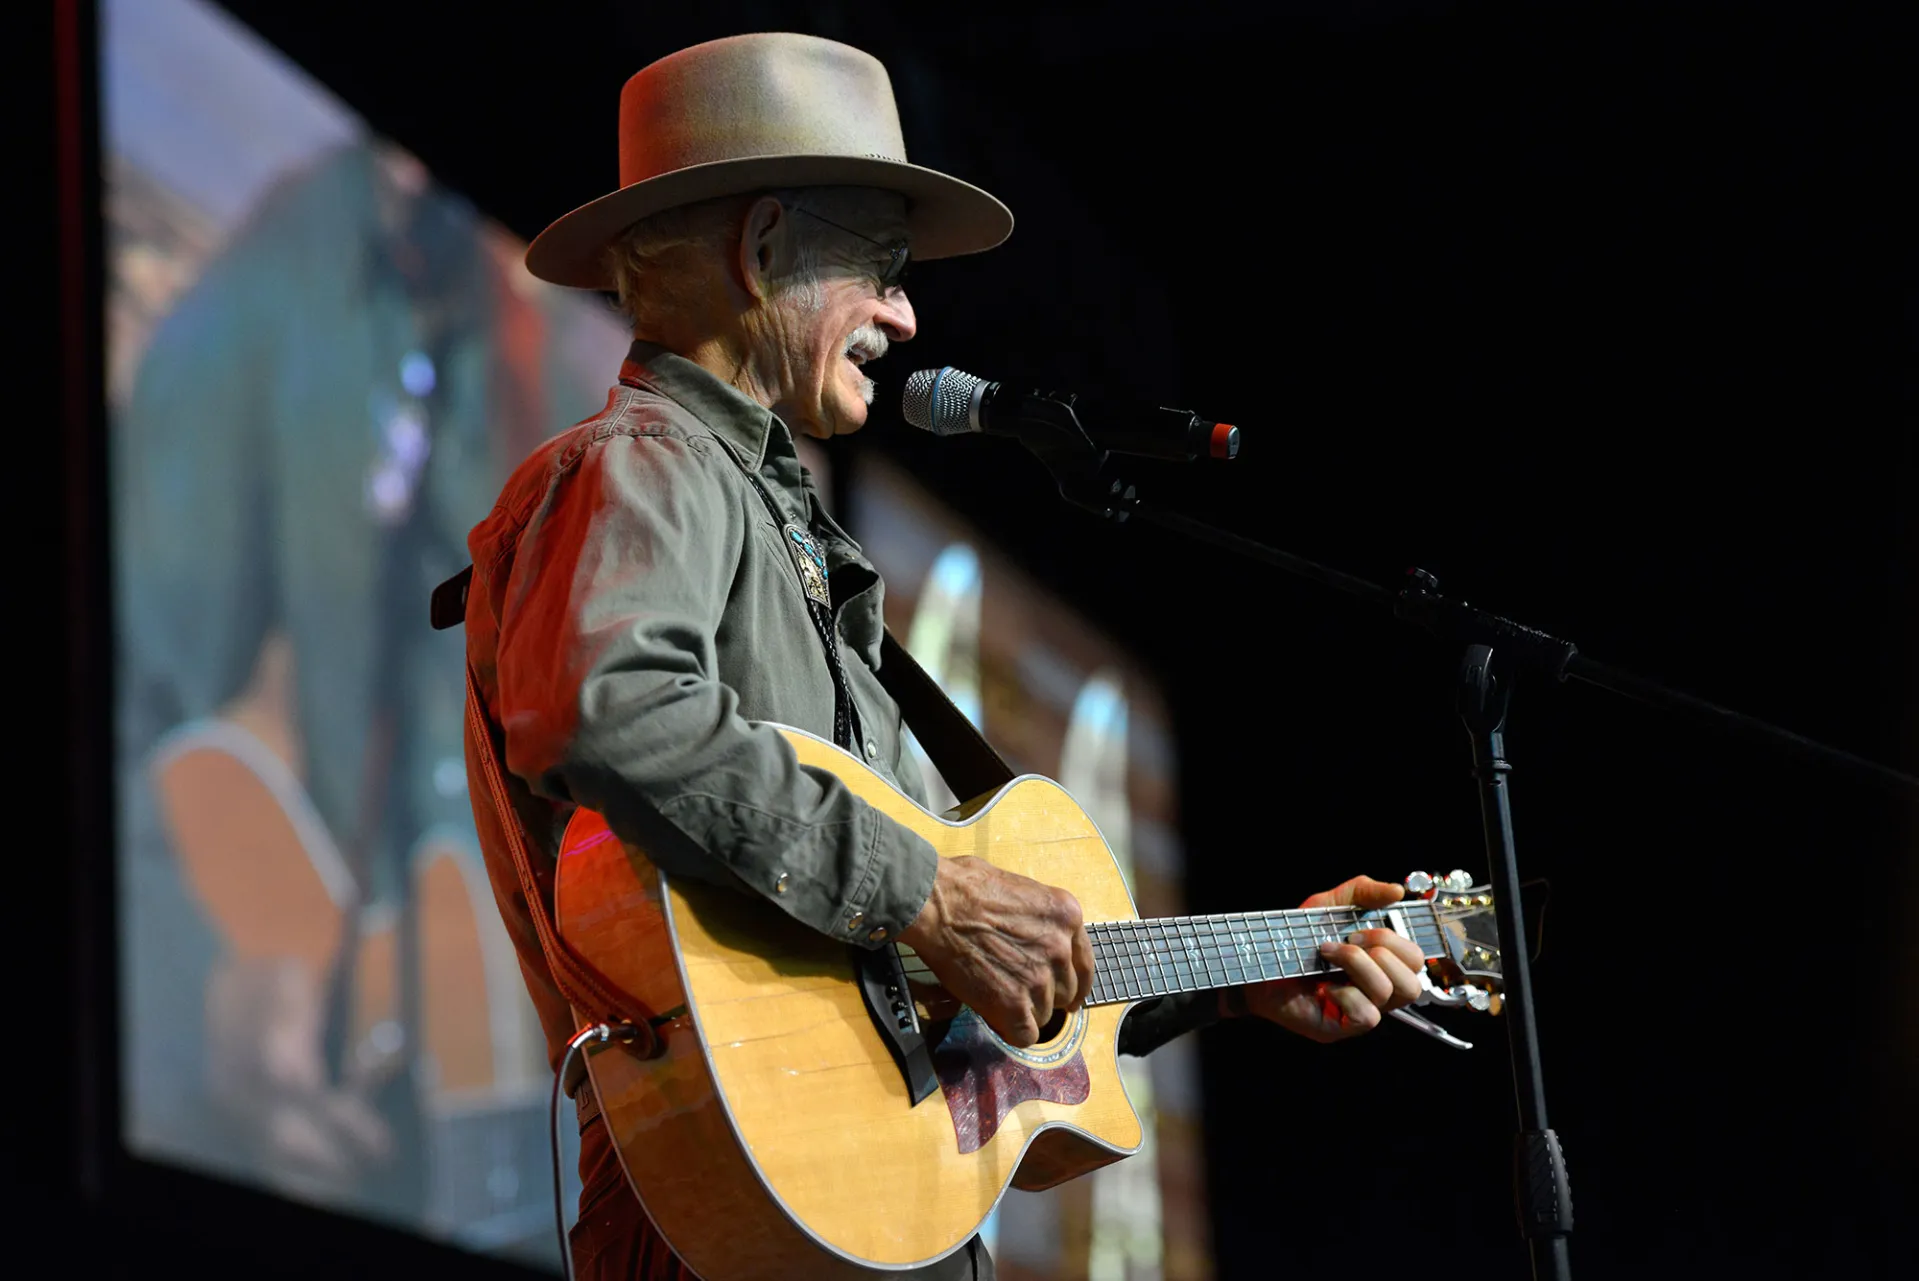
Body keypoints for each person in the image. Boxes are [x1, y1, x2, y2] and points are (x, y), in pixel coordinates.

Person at [459, 33, 1429, 1280]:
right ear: (763, 250)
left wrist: (1240, 976)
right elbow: (611, 708)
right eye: (880, 268)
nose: (907, 317)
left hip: (826, 1207)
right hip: (718, 1217)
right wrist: (931, 893)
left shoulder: (766, 515)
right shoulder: (649, 464)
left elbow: (887, 977)